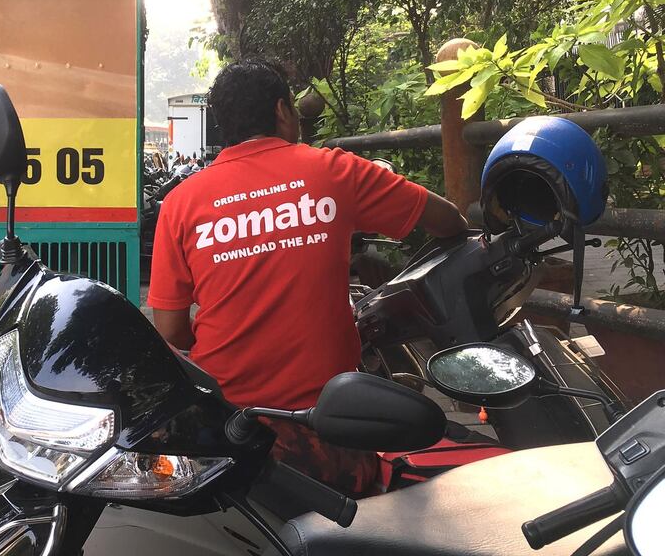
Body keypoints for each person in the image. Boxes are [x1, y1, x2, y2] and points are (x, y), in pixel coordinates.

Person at [148, 58, 467, 495]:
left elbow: (169, 327)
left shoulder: (181, 203)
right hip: (327, 427)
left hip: (226, 426)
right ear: (282, 111)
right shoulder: (334, 171)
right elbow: (448, 221)